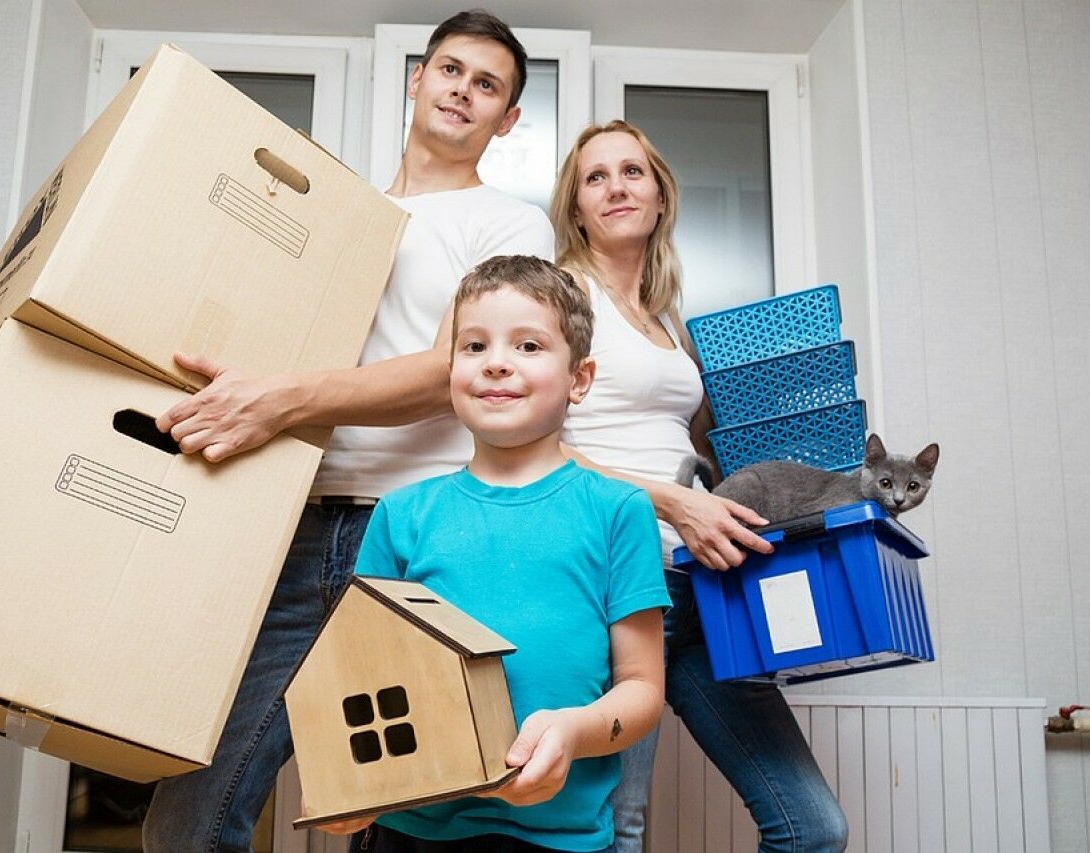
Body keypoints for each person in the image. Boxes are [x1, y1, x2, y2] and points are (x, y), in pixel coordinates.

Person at [142, 11, 554, 853]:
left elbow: (455, 369)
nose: (462, 91)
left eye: (487, 85)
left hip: (419, 533)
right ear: (417, 78)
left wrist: (282, 400)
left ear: (508, 119)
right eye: (450, 70)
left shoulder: (509, 225)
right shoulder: (335, 212)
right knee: (189, 819)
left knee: (405, 816)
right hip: (289, 524)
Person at [550, 120, 850, 852]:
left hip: (701, 584)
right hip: (614, 581)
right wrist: (672, 502)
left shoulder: (667, 320)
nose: (616, 187)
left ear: (660, 197)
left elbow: (701, 448)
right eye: (595, 177)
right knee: (616, 830)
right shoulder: (561, 295)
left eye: (633, 172)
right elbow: (533, 447)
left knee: (813, 828)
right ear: (576, 208)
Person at [334, 255, 669, 853]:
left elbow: (641, 688)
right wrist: (348, 782)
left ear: (580, 379)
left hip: (561, 837)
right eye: (474, 346)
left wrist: (573, 730)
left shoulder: (619, 511)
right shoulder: (401, 515)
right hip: (410, 832)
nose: (496, 362)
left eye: (528, 346)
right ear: (452, 370)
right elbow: (361, 674)